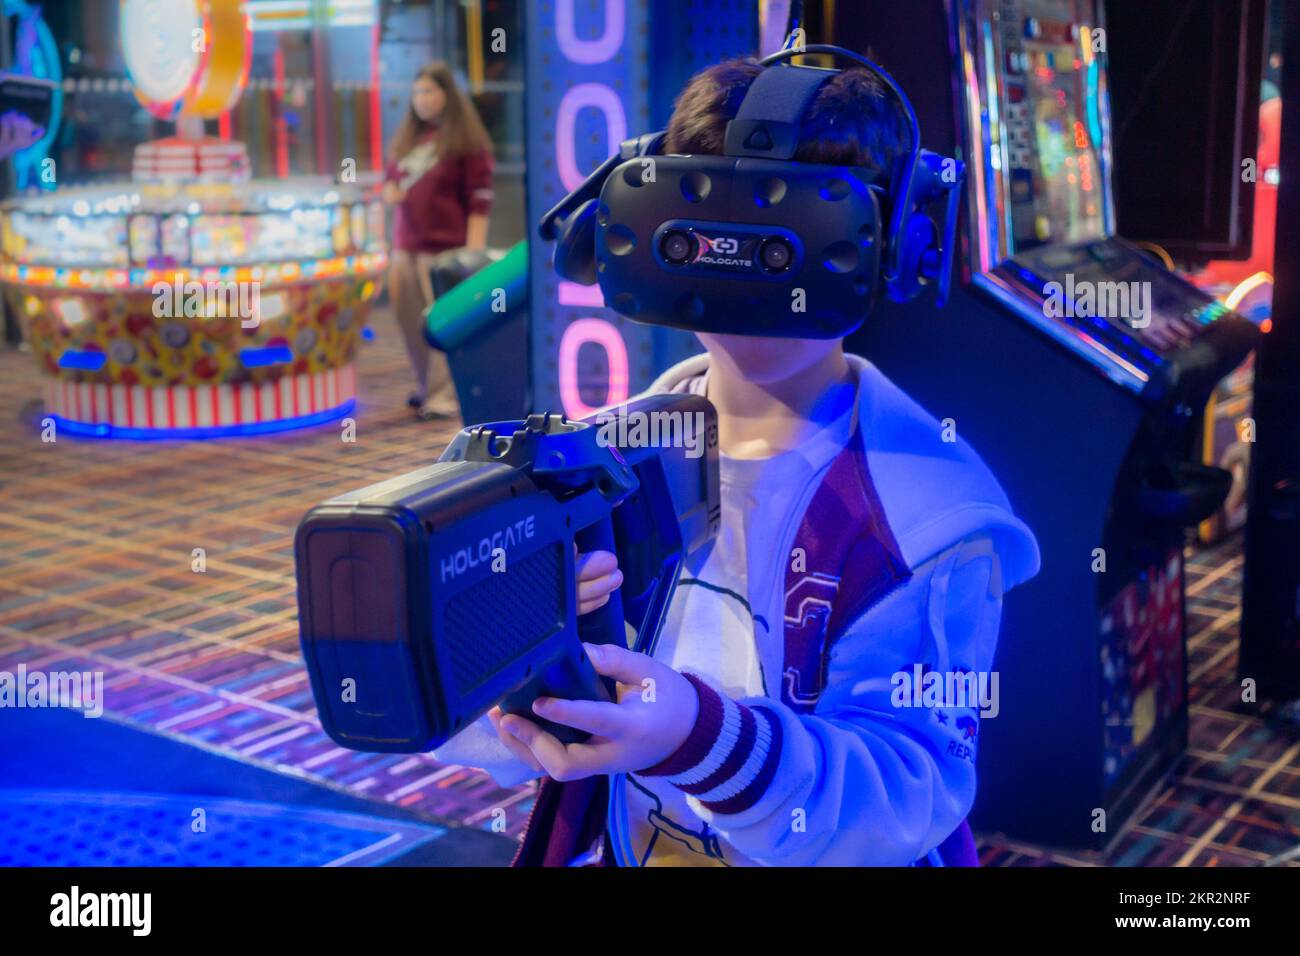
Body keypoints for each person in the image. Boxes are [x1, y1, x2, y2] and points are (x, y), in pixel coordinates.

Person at [434, 58, 1040, 866]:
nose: (745, 288)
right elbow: (477, 730)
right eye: (701, 241)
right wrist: (517, 651)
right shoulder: (595, 464)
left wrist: (699, 737)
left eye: (788, 250)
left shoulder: (928, 518)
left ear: (893, 247)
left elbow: (909, 790)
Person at [382, 62, 494, 420]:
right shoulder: (408, 140)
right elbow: (389, 183)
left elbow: (479, 200)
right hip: (405, 247)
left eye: (429, 91)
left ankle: (445, 397)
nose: (421, 99)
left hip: (445, 250)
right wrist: (390, 193)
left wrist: (471, 254)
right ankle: (424, 386)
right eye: (416, 92)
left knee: (444, 323)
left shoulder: (466, 143)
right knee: (409, 320)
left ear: (447, 94)